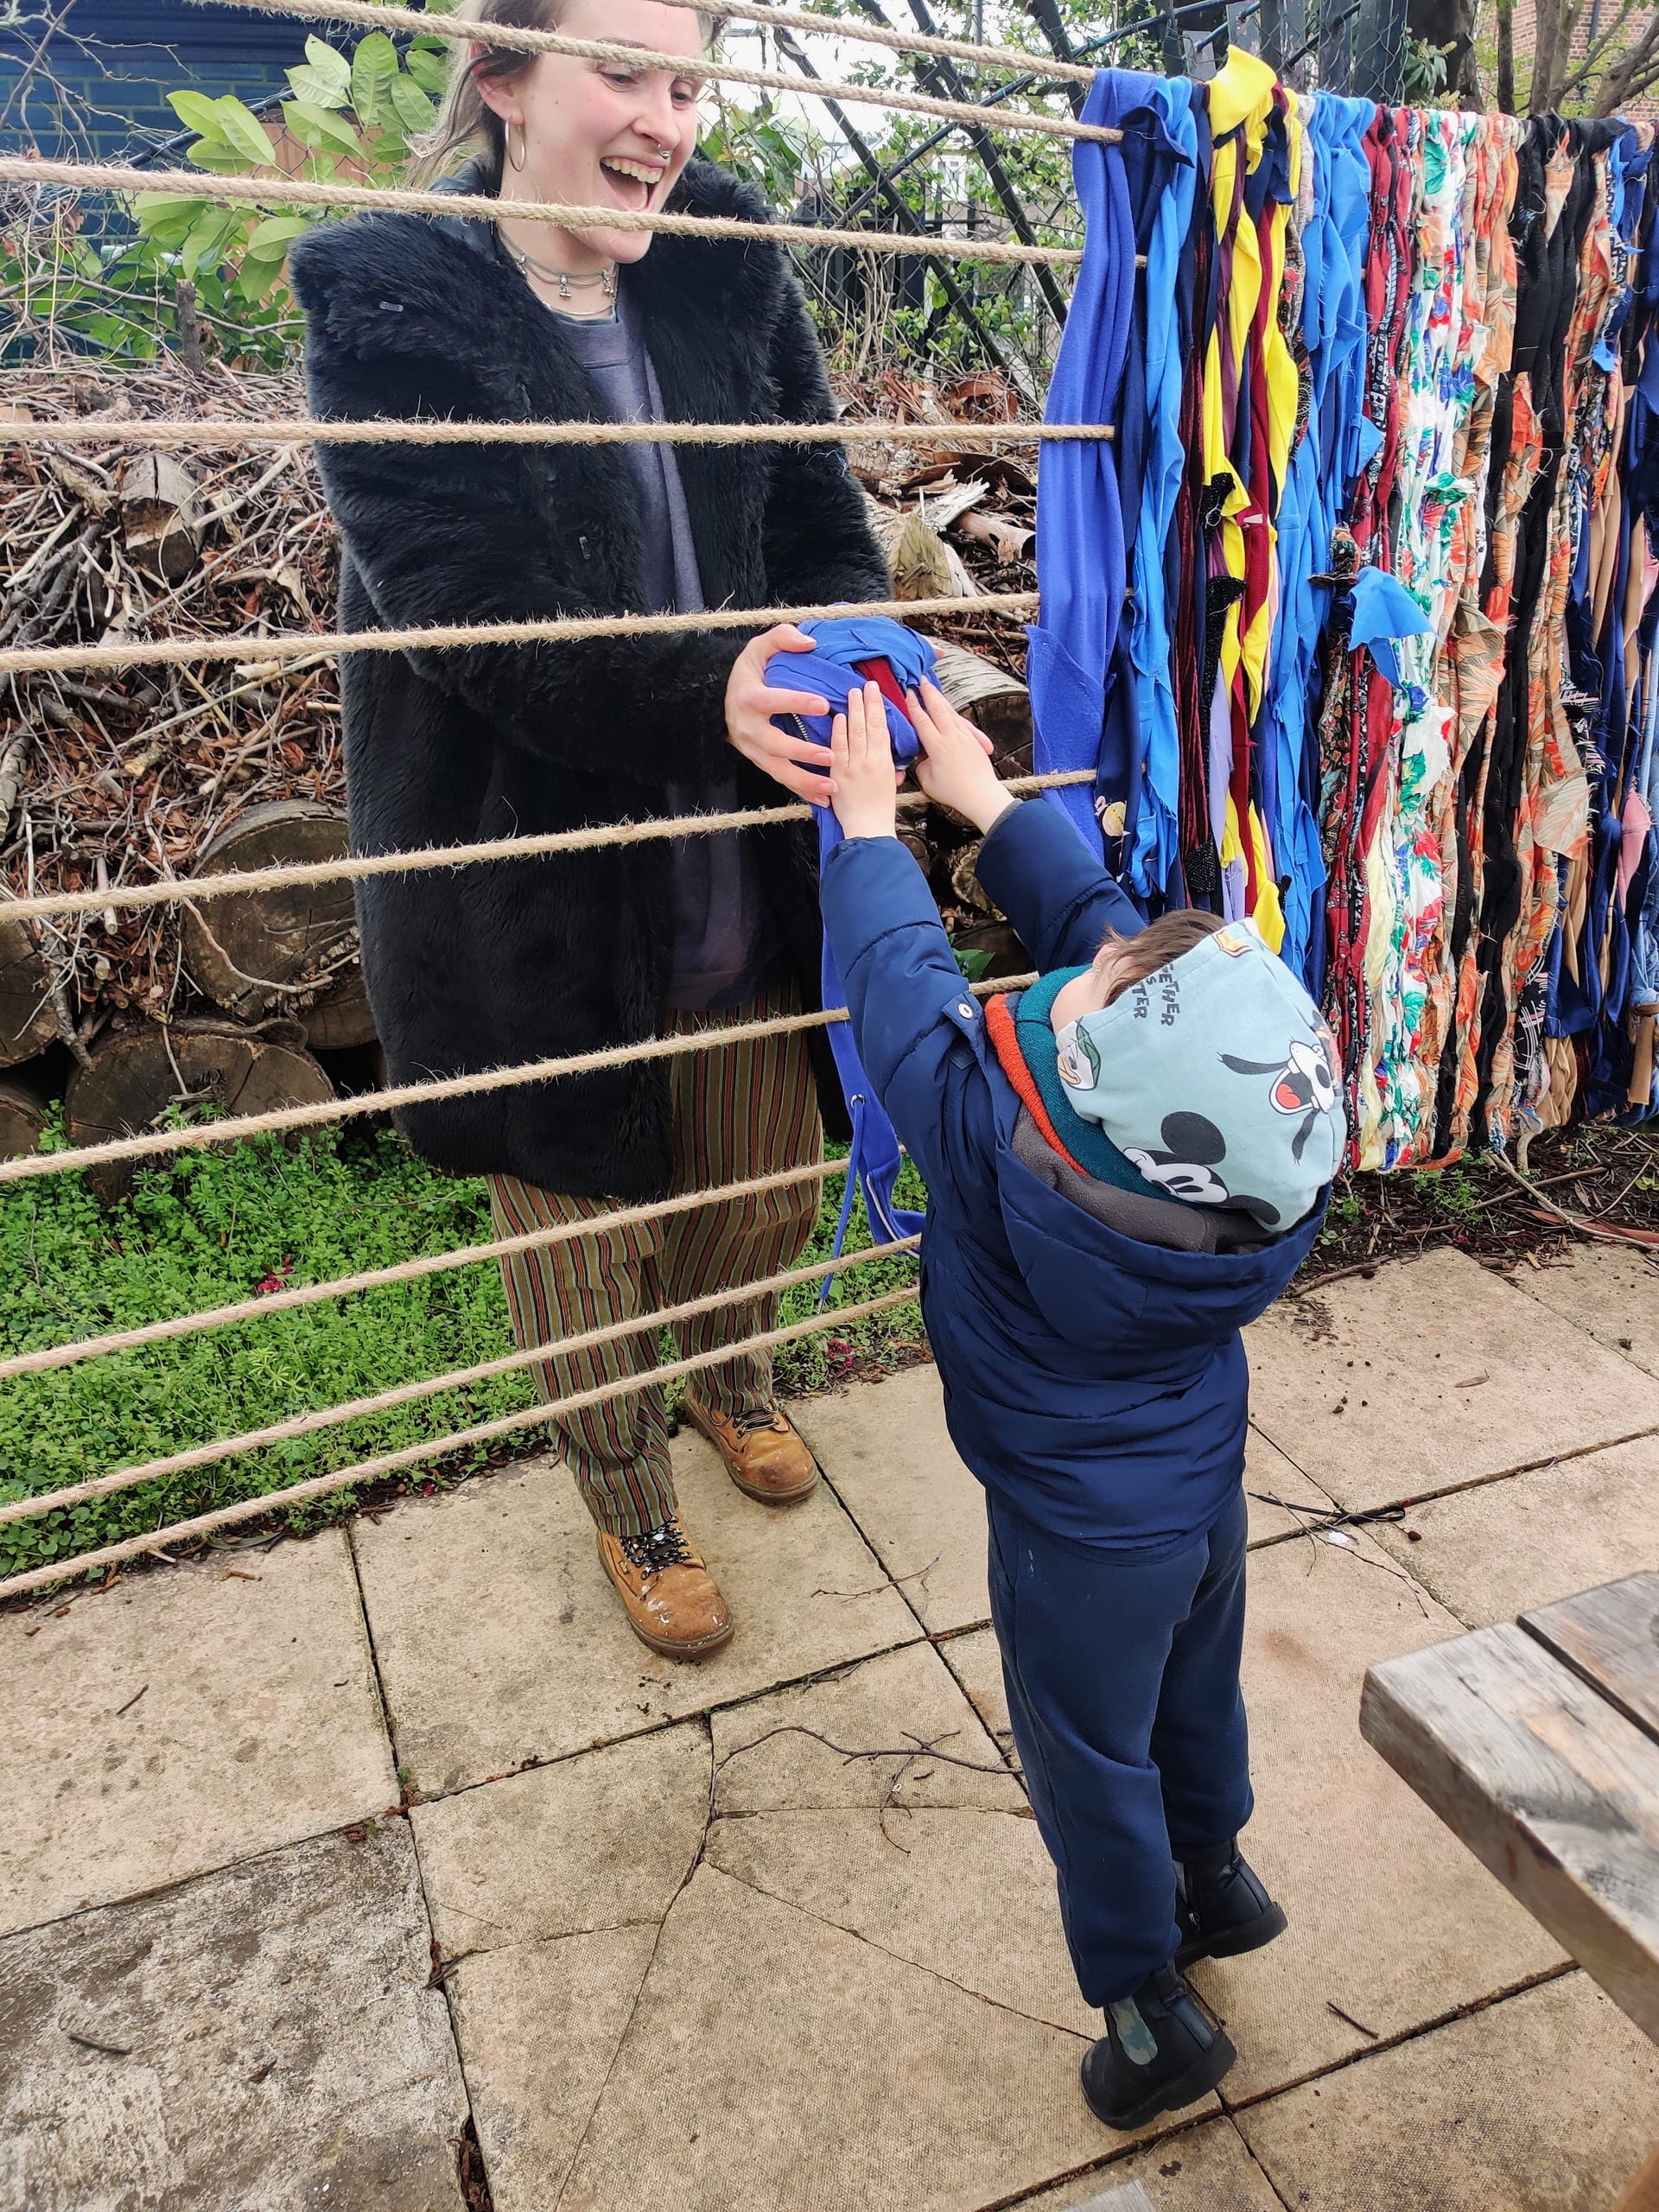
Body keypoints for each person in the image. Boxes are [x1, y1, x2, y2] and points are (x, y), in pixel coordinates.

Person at [289, 0, 892, 1662]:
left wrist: (847, 648)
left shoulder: (719, 257)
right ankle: (626, 1484)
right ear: (497, 79)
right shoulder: (392, 297)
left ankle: (730, 1372)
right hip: (533, 870)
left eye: (687, 81)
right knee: (580, 1231)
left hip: (744, 831)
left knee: (763, 1182)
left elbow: (818, 502)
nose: (666, 120)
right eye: (621, 73)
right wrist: (715, 688)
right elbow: (465, 611)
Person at [813, 677, 1344, 2130]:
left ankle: (1142, 2005)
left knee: (1080, 1758)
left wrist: (867, 830)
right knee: (1193, 1692)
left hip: (1067, 1537)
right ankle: (1217, 1877)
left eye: (1093, 999)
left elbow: (904, 987)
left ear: (1097, 1079)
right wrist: (990, 807)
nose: (1082, 971)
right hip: (1197, 1494)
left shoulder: (990, 1136)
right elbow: (1121, 950)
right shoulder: (1247, 1175)